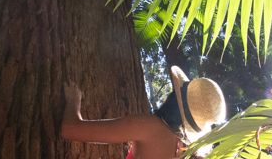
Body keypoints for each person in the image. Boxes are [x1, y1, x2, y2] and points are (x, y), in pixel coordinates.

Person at [61, 66, 227, 158]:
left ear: (174, 98)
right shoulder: (193, 153)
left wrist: (73, 101)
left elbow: (70, 129)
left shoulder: (148, 127)